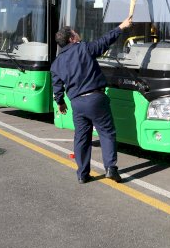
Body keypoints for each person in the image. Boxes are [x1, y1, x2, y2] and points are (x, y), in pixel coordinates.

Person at [51, 18, 132, 184]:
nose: (77, 33)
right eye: (75, 32)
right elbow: (104, 42)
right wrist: (121, 27)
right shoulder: (84, 48)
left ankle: (82, 174)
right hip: (95, 98)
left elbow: (57, 86)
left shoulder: (56, 63)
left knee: (81, 138)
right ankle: (110, 168)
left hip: (77, 103)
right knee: (106, 132)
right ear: (71, 39)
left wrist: (60, 102)